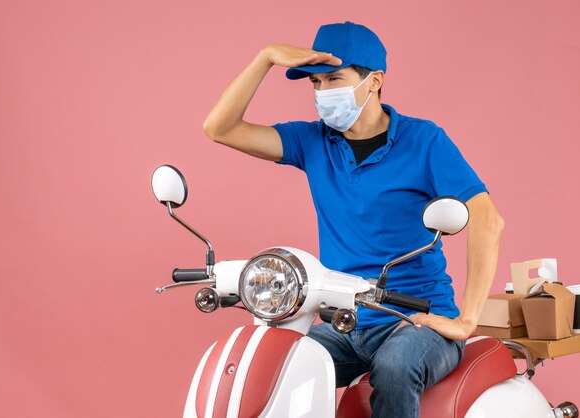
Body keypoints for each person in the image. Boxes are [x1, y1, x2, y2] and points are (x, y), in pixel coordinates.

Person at [203, 21, 504, 418]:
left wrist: (467, 320)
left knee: (396, 366)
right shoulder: (311, 142)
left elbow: (487, 220)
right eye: (315, 83)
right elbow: (219, 128)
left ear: (374, 80)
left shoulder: (424, 141)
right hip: (342, 318)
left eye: (334, 79)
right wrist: (265, 58)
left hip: (412, 318)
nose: (322, 93)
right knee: (273, 361)